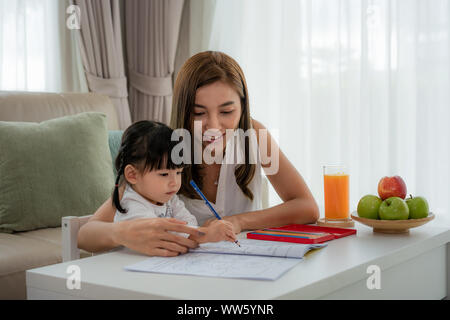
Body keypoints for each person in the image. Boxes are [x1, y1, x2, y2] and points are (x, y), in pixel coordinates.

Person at [78, 51, 319, 257]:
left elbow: (307, 207)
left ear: (243, 107)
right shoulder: (163, 147)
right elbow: (85, 235)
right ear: (184, 111)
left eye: (226, 111)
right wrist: (124, 233)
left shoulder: (254, 135)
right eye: (199, 113)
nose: (213, 125)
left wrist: (239, 221)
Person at [111, 120, 236, 245]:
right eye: (164, 174)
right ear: (132, 175)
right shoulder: (131, 205)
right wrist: (206, 234)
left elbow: (189, 222)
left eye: (178, 173)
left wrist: (200, 232)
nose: (174, 183)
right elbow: (164, 236)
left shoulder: (168, 199)